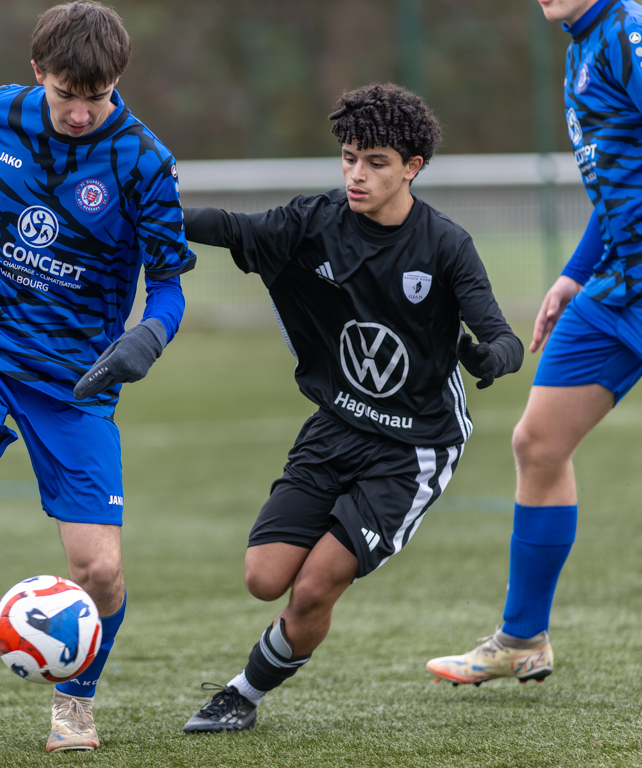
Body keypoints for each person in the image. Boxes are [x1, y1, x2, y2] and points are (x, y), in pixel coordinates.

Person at [0, 1, 195, 752]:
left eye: (97, 97)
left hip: (73, 375)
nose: (80, 113)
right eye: (65, 95)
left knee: (100, 570)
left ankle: (75, 705)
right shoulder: (8, 109)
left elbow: (169, 287)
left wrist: (149, 337)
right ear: (38, 75)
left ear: (116, 83)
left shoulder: (143, 163)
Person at [177, 83, 523, 733]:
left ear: (413, 167)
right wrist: (153, 211)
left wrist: (489, 359)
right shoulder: (316, 222)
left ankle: (241, 695)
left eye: (376, 162)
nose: (356, 175)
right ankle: (262, 666)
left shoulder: (445, 245)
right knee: (263, 578)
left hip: (414, 446)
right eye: (349, 158)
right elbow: (235, 229)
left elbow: (504, 338)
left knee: (312, 588)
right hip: (337, 423)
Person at [426, 0, 642, 686]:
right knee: (539, 443)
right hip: (617, 287)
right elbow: (619, 185)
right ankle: (523, 639)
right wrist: (575, 274)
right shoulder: (584, 43)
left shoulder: (630, 30)